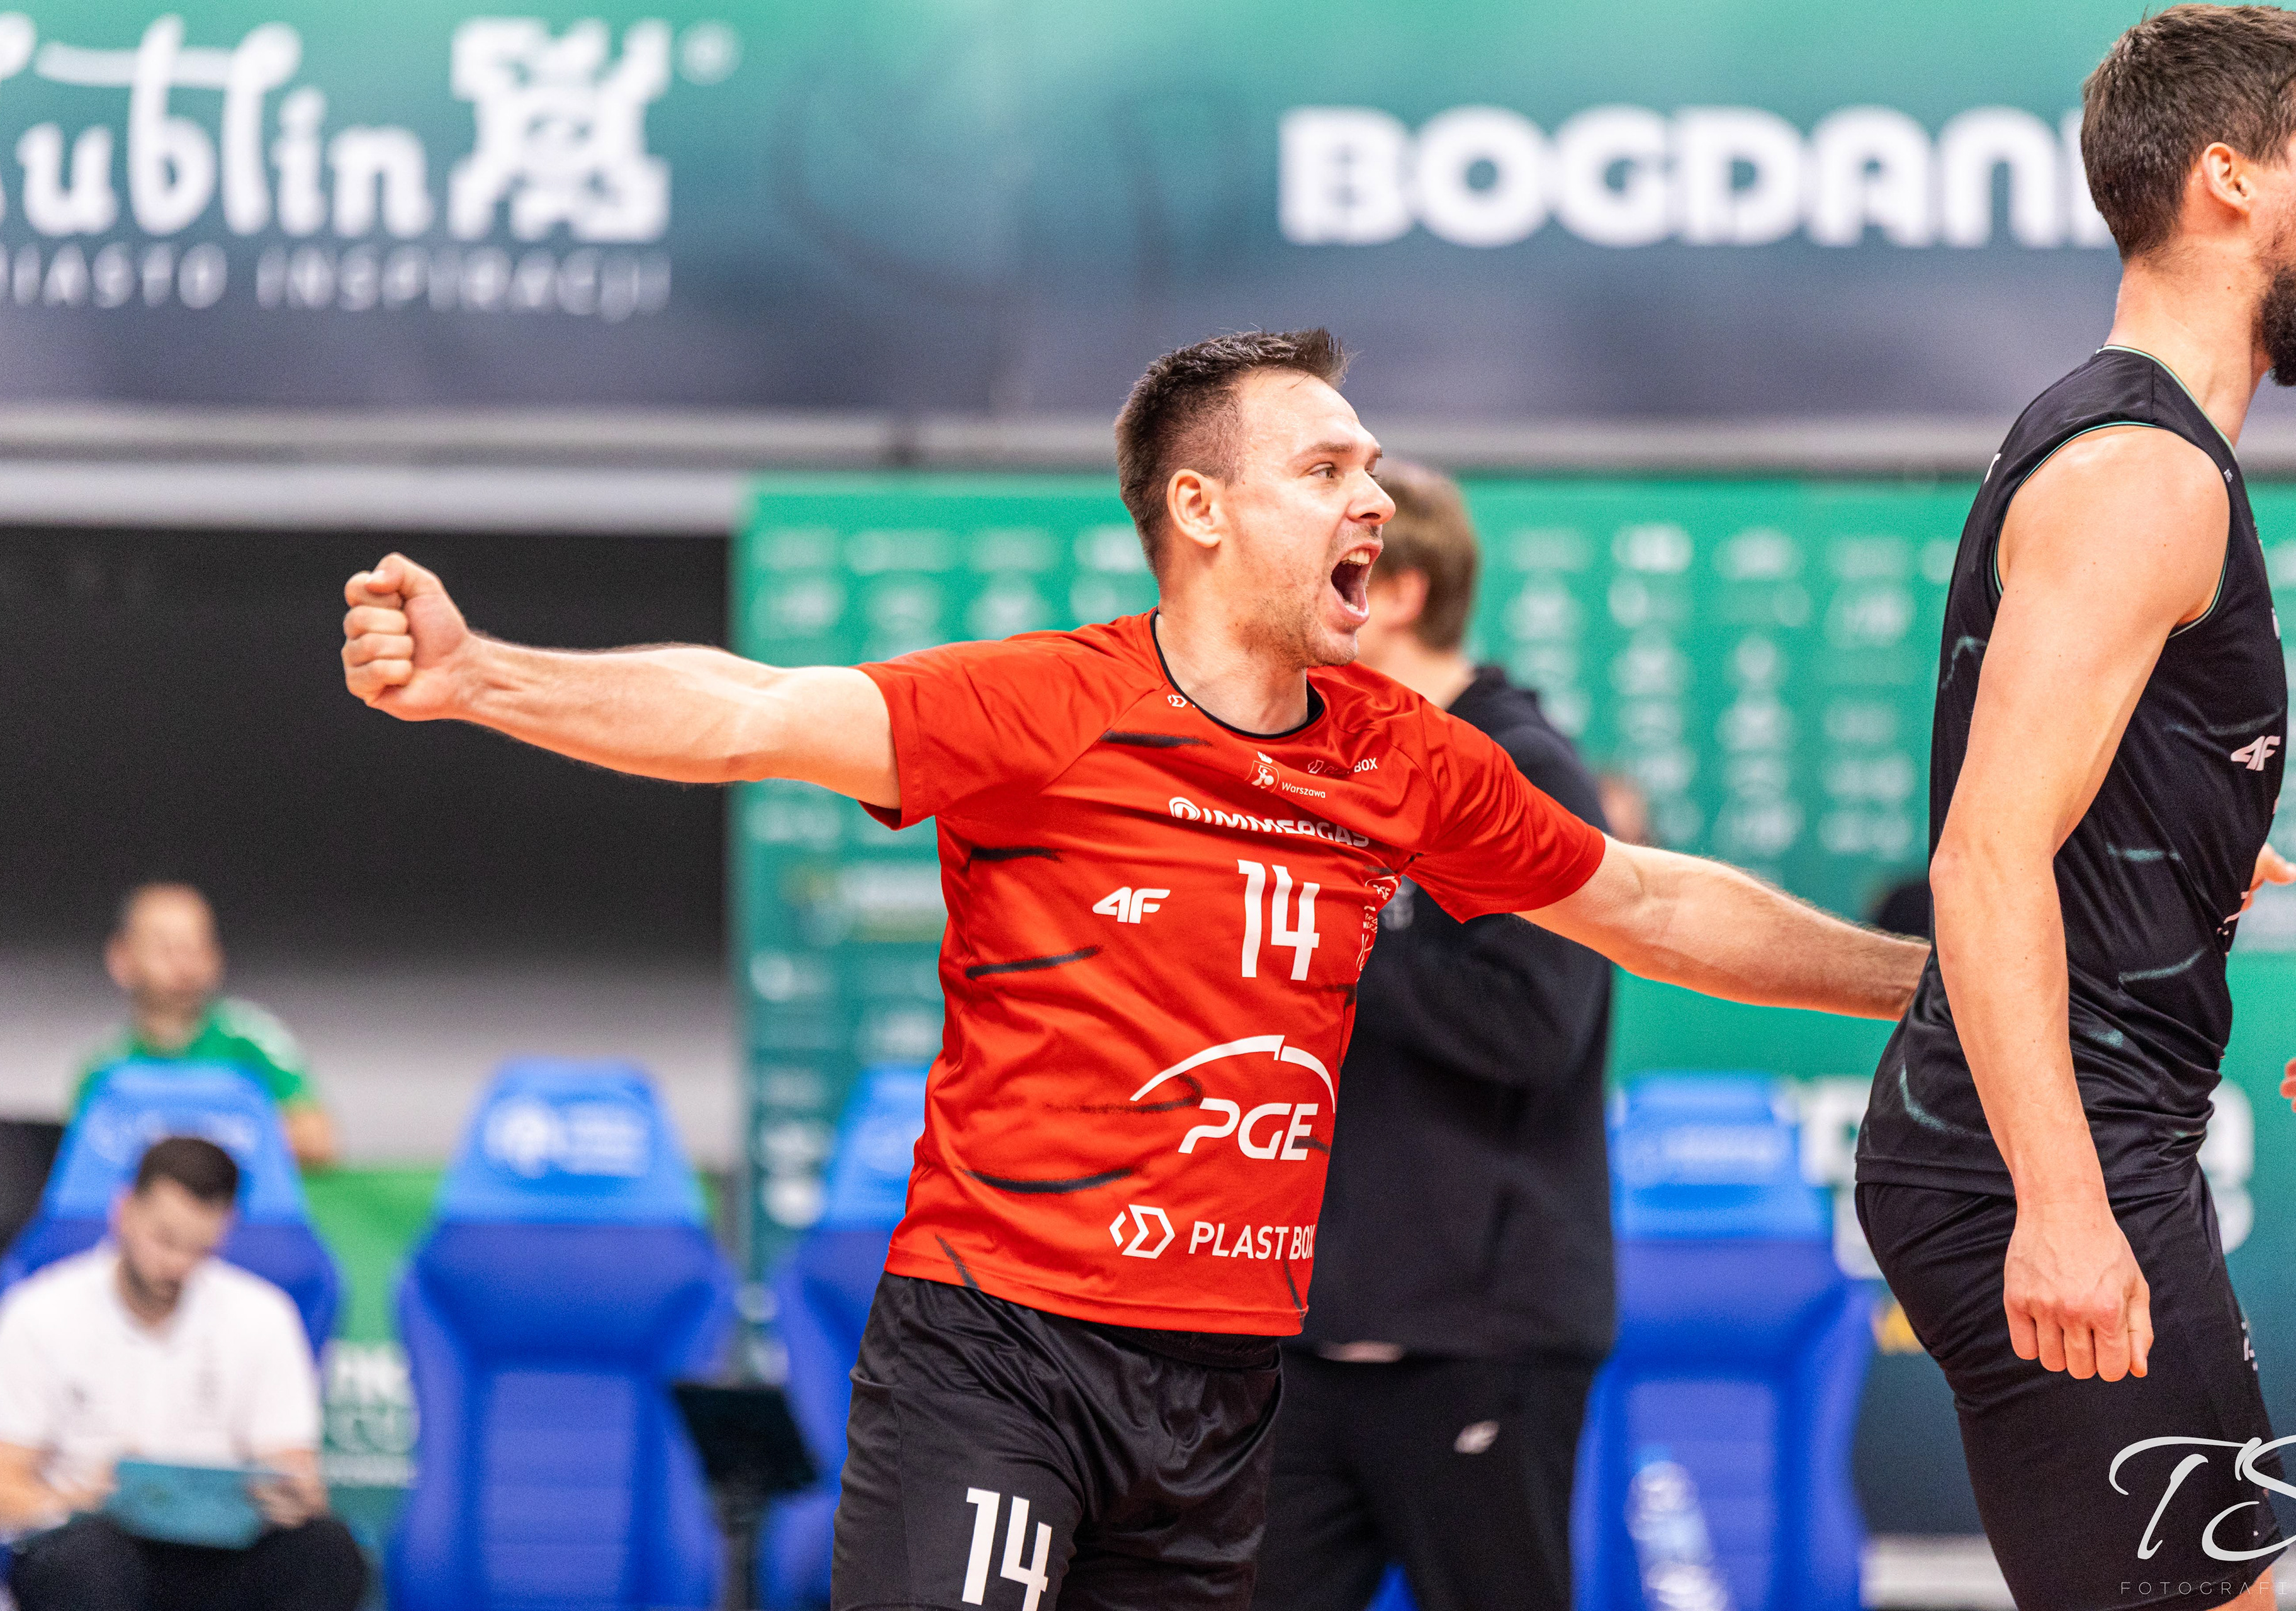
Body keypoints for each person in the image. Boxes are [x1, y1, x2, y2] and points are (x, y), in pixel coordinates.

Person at [340, 328, 1927, 1610]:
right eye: (1325, 468)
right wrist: (485, 678)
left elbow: (1648, 903)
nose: (1372, 499)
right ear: (1201, 510)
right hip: (1001, 1348)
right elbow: (750, 711)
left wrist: (1942, 982)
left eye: (1373, 468)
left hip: (1226, 1385)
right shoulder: (1044, 705)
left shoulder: (1401, 754)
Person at [1852, 9, 2296, 1608]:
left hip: (2077, 1138)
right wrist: (2061, 1206)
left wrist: (2188, 842)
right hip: (2042, 1159)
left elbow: (2064, 804)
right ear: (2230, 177)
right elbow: (1985, 853)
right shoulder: (2143, 473)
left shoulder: (2143, 444)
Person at [1249, 461, 1613, 1611]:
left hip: (1477, 1339)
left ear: (1397, 592)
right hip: (1308, 1332)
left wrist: (1335, 937)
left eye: (1314, 575)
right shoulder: (1314, 771)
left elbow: (1537, 1022)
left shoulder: (1519, 767)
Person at [0, 1136, 366, 1611]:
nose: (177, 1266)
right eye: (165, 1240)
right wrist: (81, 1499)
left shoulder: (264, 1316)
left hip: (218, 1558)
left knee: (326, 1550)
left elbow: (292, 1469)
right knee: (92, 1558)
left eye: (199, 1249)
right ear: (124, 1212)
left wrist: (288, 1497)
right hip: (86, 1551)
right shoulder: (37, 1314)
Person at [85, 884, 338, 1168]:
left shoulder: (252, 1040)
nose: (184, 966)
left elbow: (317, 1140)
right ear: (121, 957)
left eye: (195, 948)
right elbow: (84, 1161)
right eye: (165, 949)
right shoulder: (106, 1064)